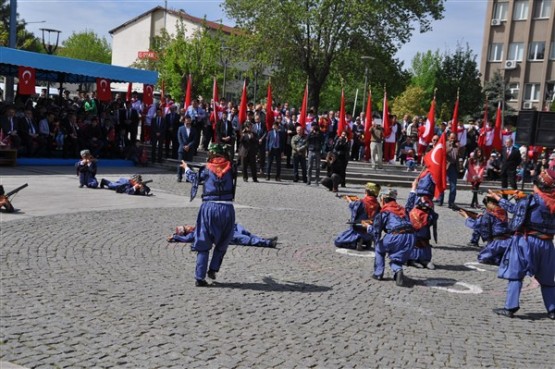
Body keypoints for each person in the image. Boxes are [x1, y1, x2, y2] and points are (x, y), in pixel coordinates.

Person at [488, 169, 555, 320]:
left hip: (527, 242)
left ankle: (510, 307)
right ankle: (552, 309)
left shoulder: (531, 200)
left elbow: (515, 210)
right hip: (547, 244)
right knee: (547, 280)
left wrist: (499, 199)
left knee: (516, 274)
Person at [180, 143, 237, 287]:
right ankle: (213, 268)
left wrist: (186, 168)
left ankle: (200, 277)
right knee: (223, 240)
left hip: (209, 208)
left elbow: (194, 178)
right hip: (227, 208)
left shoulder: (206, 169)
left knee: (204, 240)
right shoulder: (231, 168)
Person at [369, 188, 415, 286]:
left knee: (379, 249)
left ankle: (378, 273)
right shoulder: (403, 209)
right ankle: (398, 270)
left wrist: (368, 227)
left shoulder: (384, 212)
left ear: (383, 199)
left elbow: (376, 232)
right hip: (411, 236)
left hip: (396, 235)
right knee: (397, 256)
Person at [459, 195, 511, 266]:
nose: (486, 207)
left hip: (496, 243)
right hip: (508, 242)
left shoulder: (489, 215)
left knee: (482, 258)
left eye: (487, 204)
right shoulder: (502, 211)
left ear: (491, 203)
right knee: (498, 259)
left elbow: (475, 225)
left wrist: (466, 217)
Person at [334, 182, 381, 251]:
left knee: (338, 241)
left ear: (367, 191)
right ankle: (367, 240)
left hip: (358, 229)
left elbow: (354, 210)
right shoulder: (377, 204)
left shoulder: (361, 202)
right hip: (370, 230)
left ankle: (356, 242)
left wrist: (349, 201)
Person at [405, 179, 438, 269]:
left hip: (424, 224)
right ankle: (412, 260)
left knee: (424, 241)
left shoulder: (429, 200)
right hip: (414, 223)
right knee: (415, 241)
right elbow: (408, 206)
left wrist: (431, 217)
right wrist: (413, 188)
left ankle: (425, 259)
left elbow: (431, 214)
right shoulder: (416, 197)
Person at [167, 223, 277, 248]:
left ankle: (264, 239)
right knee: (246, 239)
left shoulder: (199, 224)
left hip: (228, 227)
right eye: (186, 229)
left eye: (186, 226)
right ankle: (268, 243)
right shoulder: (195, 234)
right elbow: (186, 239)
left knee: (245, 233)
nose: (188, 227)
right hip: (225, 236)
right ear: (187, 232)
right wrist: (175, 237)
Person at [438, 132, 460, 208]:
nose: (453, 139)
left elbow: (460, 155)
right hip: (446, 167)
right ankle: (440, 200)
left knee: (453, 187)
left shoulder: (457, 145)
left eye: (454, 138)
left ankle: (451, 203)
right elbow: (444, 153)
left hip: (453, 167)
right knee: (443, 185)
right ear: (449, 138)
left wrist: (458, 148)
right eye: (451, 138)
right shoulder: (446, 144)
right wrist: (450, 147)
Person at [176, 115, 198, 182]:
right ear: (184, 121)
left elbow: (194, 139)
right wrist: (184, 146)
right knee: (181, 163)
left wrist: (189, 146)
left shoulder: (193, 130)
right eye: (187, 121)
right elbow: (179, 139)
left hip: (190, 149)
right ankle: (179, 177)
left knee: (189, 164)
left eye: (189, 121)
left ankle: (188, 177)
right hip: (182, 149)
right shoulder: (180, 128)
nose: (188, 122)